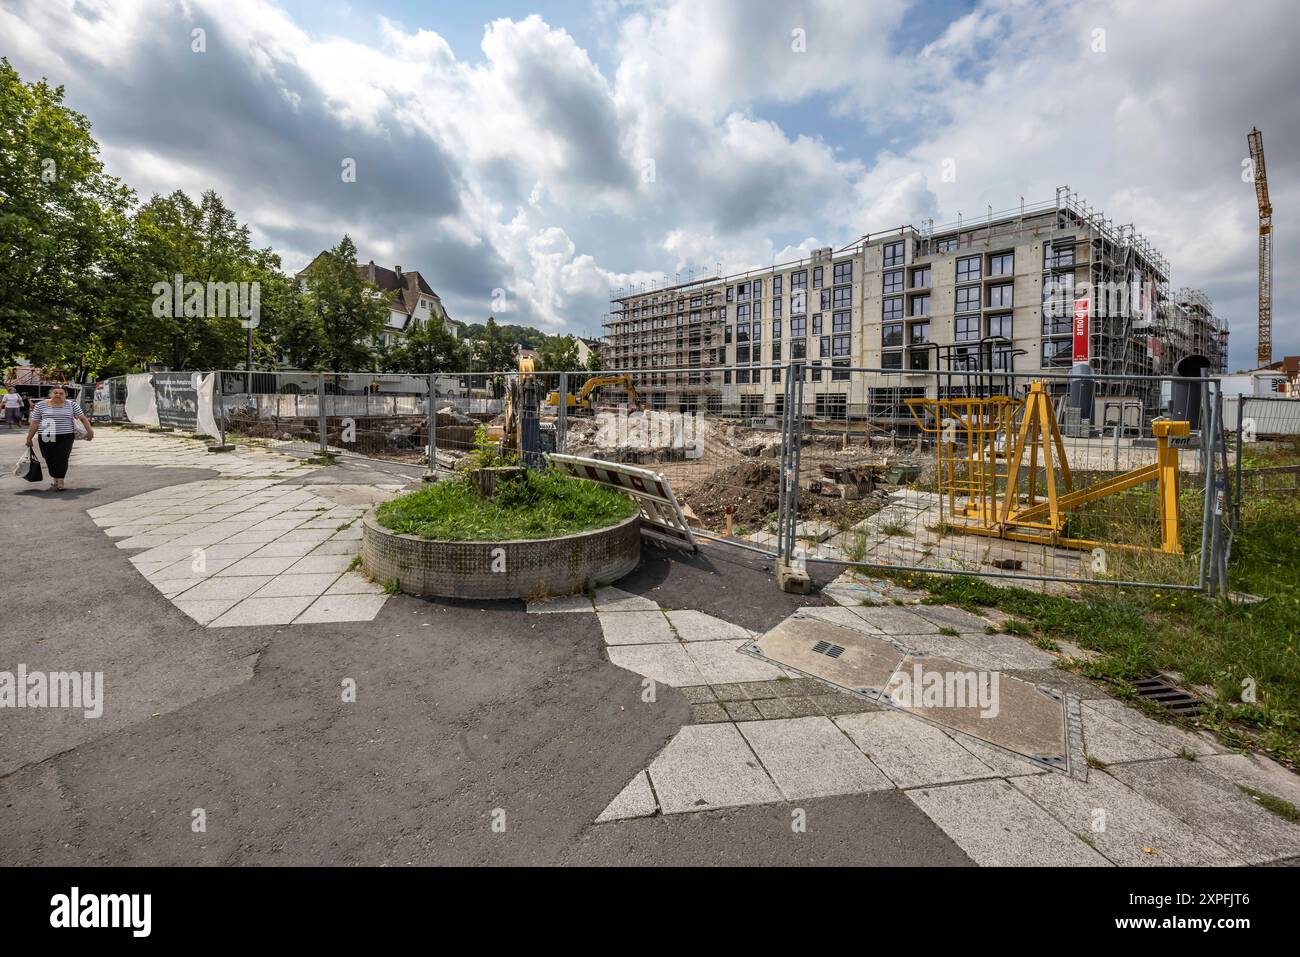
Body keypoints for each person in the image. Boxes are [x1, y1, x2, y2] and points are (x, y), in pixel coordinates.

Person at [25, 386, 94, 491]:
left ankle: (60, 480)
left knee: (62, 457)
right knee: (49, 457)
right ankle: (55, 477)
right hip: (46, 435)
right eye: (55, 393)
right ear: (50, 394)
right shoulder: (40, 405)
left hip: (65, 436)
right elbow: (35, 423)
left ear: (65, 395)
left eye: (61, 393)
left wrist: (90, 431)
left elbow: (83, 418)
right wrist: (29, 438)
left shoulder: (71, 405)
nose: (58, 395)